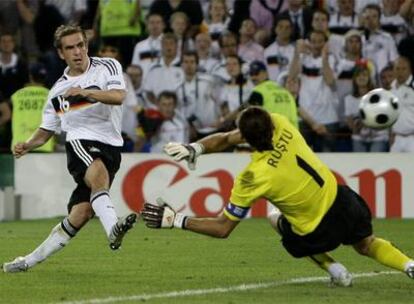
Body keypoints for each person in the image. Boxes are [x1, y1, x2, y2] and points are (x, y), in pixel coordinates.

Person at [141, 106, 414, 286]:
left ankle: (334, 269)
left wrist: (175, 220)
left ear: (246, 138)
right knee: (366, 244)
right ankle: (409, 264)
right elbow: (225, 139)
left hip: (318, 230)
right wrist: (196, 148)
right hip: (343, 201)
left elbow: (222, 228)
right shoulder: (282, 123)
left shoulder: (252, 177)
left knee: (274, 217)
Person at [3, 25, 137, 273]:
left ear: (86, 45)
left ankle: (26, 261)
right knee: (98, 174)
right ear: (61, 53)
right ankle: (113, 229)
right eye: (70, 48)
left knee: (82, 213)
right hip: (80, 142)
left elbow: (119, 96)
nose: (77, 52)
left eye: (80, 45)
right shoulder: (59, 92)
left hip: (111, 146)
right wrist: (29, 144)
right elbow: (47, 129)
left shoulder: (107, 66)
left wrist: (86, 93)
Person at [11, 63, 55, 153]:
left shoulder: (16, 95)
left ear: (30, 76)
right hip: (44, 145)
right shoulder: (51, 95)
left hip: (19, 146)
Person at [248, 60, 298, 128]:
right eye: (251, 74)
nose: (253, 77)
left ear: (265, 73)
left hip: (273, 134)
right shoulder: (284, 90)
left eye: (256, 73)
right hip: (293, 134)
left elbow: (251, 118)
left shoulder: (258, 91)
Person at [390, 56, 414, 152]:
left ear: (410, 70)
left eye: (404, 69)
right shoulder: (391, 89)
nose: (400, 72)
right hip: (396, 139)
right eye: (397, 69)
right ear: (393, 70)